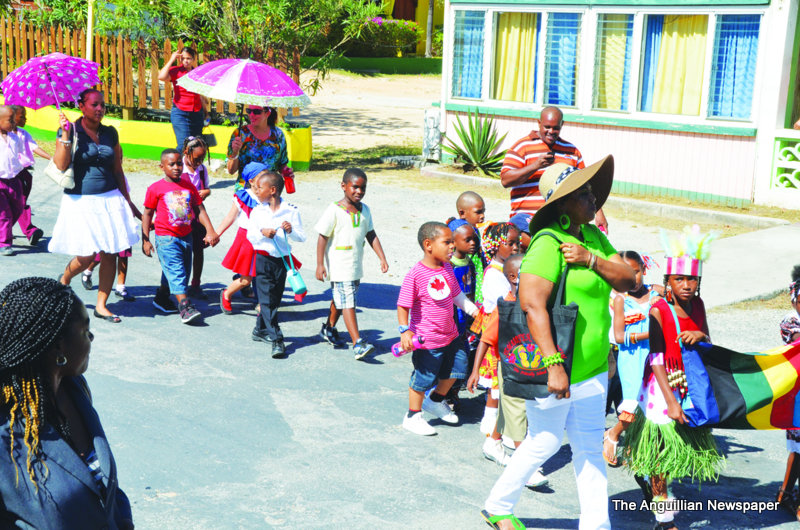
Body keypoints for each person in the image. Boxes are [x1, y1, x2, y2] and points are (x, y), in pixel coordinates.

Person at [482, 155, 635, 530]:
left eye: (591, 190)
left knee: (589, 449)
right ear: (562, 203)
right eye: (583, 193)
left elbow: (627, 279)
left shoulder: (593, 237)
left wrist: (591, 259)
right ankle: (498, 506)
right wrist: (553, 365)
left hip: (594, 367)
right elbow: (532, 305)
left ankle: (596, 525)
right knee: (544, 441)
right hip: (559, 367)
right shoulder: (547, 243)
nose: (592, 197)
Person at [0, 277, 133, 528]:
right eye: (84, 331)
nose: (91, 337)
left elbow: (103, 482)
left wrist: (122, 517)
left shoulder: (75, 389)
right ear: (58, 346)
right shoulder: (5, 433)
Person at [620, 227, 723, 528]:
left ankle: (654, 491)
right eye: (680, 279)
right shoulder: (658, 310)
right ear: (668, 281)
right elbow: (655, 359)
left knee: (675, 450)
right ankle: (663, 519)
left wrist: (700, 334)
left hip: (689, 384)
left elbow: (708, 343)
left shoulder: (699, 306)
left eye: (692, 279)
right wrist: (671, 403)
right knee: (659, 454)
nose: (687, 285)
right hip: (661, 388)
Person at [50, 89, 141, 323]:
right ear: (81, 106)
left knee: (110, 252)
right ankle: (65, 279)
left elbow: (117, 169)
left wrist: (127, 201)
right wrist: (65, 135)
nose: (100, 109)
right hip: (81, 201)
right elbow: (61, 164)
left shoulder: (110, 132)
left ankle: (102, 305)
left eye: (102, 105)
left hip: (110, 198)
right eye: (94, 105)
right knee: (87, 254)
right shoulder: (70, 129)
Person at [397, 221, 478, 436]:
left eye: (452, 242)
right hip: (427, 340)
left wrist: (473, 311)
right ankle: (412, 416)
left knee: (459, 366)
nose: (452, 246)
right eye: (447, 242)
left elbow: (456, 295)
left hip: (451, 334)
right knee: (424, 377)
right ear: (428, 245)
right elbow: (403, 305)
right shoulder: (416, 274)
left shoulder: (447, 268)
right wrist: (405, 330)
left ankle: (434, 401)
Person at [314, 168, 389, 360]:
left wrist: (382, 257)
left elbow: (371, 234)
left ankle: (328, 328)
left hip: (355, 265)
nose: (359, 191)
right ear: (343, 186)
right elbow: (322, 237)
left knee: (341, 299)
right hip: (339, 265)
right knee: (348, 302)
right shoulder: (334, 210)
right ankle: (358, 343)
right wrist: (320, 264)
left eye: (363, 188)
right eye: (355, 187)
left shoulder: (365, 210)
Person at [500, 106, 607, 232]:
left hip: (560, 221)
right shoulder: (522, 147)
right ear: (539, 123)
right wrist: (536, 165)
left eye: (556, 128)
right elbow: (505, 180)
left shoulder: (571, 151)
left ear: (562, 125)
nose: (551, 131)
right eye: (547, 127)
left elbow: (585, 184)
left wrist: (599, 213)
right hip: (527, 220)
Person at [141, 149, 219, 324]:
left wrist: (210, 230)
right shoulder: (156, 188)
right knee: (177, 271)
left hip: (186, 236)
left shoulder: (188, 186)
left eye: (179, 163)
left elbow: (199, 209)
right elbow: (147, 214)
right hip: (166, 238)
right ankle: (185, 307)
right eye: (171, 164)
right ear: (162, 167)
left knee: (178, 269)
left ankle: (162, 297)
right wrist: (145, 240)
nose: (176, 167)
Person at [602, 251, 662, 466]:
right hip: (631, 358)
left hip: (655, 356)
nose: (632, 278)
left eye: (636, 272)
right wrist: (650, 333)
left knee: (653, 402)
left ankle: (637, 444)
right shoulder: (621, 300)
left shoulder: (657, 294)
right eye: (626, 273)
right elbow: (619, 337)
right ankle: (613, 434)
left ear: (644, 270)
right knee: (633, 403)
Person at [247, 170, 305, 359]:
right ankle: (277, 339)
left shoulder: (291, 210)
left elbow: (301, 237)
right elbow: (250, 235)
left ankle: (260, 329)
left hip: (281, 261)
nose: (256, 191)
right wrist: (262, 232)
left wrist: (290, 230)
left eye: (260, 188)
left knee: (275, 299)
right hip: (262, 259)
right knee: (266, 301)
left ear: (272, 190)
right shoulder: (257, 211)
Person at [471, 222, 520, 443]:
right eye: (509, 243)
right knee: (496, 384)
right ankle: (491, 422)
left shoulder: (507, 269)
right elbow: (505, 302)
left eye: (517, 243)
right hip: (498, 332)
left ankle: (499, 424)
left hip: (505, 329)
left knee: (501, 384)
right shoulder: (494, 273)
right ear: (494, 246)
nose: (515, 247)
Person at [216, 162, 266, 314]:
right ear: (251, 181)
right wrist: (217, 233)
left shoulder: (269, 194)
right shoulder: (243, 196)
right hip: (246, 240)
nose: (267, 178)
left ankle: (261, 303)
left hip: (264, 239)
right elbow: (230, 218)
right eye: (263, 175)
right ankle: (227, 293)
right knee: (246, 279)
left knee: (263, 274)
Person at [776, 266, 800, 521]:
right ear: (794, 301)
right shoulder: (790, 322)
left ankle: (784, 493)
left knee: (798, 451)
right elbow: (796, 340)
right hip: (797, 397)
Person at [226, 106, 292, 191]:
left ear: (267, 113)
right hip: (246, 191)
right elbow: (231, 171)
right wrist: (235, 152)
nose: (251, 115)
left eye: (257, 112)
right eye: (249, 111)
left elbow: (282, 164)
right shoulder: (240, 134)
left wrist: (287, 172)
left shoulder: (278, 134)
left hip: (269, 191)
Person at [180, 136, 212, 299]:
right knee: (182, 250)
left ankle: (196, 284)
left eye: (202, 158)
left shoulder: (201, 169)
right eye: (197, 158)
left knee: (198, 250)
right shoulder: (178, 168)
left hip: (197, 216)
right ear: (186, 152)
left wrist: (207, 192)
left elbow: (206, 188)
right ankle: (180, 286)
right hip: (181, 217)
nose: (199, 162)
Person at [158, 47, 208, 150]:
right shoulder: (176, 71)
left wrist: (206, 113)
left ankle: (193, 162)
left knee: (196, 145)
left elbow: (200, 95)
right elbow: (161, 76)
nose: (186, 61)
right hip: (180, 113)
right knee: (183, 146)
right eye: (183, 58)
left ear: (193, 59)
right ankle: (179, 161)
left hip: (197, 113)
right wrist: (171, 59)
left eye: (188, 58)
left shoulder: (197, 73)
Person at [11, 105, 48, 246]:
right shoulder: (4, 135)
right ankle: (30, 231)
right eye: (22, 116)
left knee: (19, 202)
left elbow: (35, 147)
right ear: (12, 117)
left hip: (25, 172)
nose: (25, 119)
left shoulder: (24, 134)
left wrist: (51, 158)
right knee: (20, 202)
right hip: (11, 173)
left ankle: (5, 230)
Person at [0, 106, 25, 257]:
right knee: (4, 214)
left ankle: (3, 231)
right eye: (10, 120)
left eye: (14, 120)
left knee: (18, 208)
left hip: (14, 180)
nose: (14, 123)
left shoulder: (15, 138)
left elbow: (20, 155)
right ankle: (4, 243)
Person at [454, 191, 486, 304]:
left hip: (476, 275)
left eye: (483, 212)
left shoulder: (475, 230)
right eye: (478, 212)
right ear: (462, 213)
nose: (482, 216)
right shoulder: (457, 232)